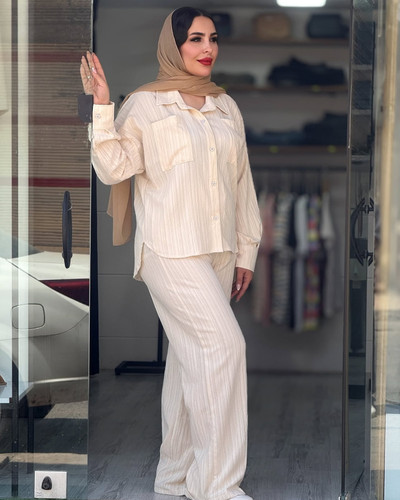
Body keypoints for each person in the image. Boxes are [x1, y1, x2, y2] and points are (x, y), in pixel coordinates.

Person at [80, 7, 262, 500]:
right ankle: (218, 486)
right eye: (195, 39)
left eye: (213, 38)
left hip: (220, 251)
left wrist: (247, 251)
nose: (207, 48)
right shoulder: (144, 104)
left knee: (188, 362)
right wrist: (102, 105)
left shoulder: (225, 106)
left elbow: (242, 183)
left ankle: (174, 477)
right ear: (173, 45)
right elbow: (114, 169)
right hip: (170, 249)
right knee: (224, 349)